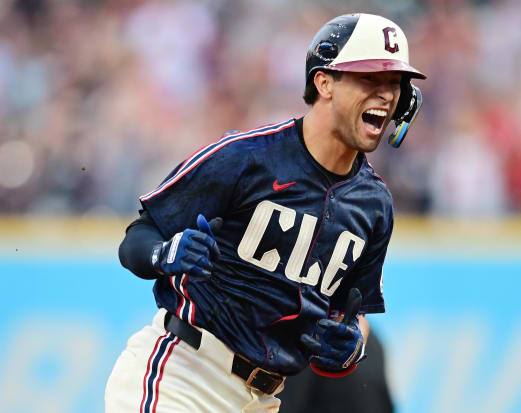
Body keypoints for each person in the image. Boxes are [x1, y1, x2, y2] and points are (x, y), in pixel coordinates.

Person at [105, 12, 425, 413]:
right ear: (324, 82)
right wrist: (164, 253)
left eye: (394, 84)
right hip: (186, 373)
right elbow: (138, 236)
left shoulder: (375, 206)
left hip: (264, 400)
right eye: (369, 79)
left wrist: (349, 351)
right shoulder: (248, 157)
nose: (386, 95)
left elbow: (346, 319)